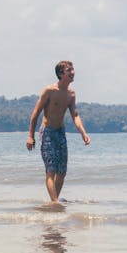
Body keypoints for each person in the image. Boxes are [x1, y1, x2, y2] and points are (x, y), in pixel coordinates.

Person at [26, 60, 91, 203]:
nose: (73, 72)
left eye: (73, 69)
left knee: (62, 172)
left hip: (60, 133)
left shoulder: (71, 94)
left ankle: (53, 201)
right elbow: (35, 113)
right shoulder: (49, 91)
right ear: (61, 74)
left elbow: (75, 115)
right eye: (69, 70)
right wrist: (30, 136)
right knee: (51, 171)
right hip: (47, 132)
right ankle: (55, 203)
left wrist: (83, 133)